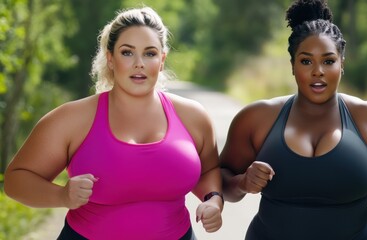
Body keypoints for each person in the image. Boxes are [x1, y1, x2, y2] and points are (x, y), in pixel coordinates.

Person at [4, 6, 223, 240]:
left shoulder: (193, 117)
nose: (139, 63)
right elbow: (16, 180)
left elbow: (209, 170)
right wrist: (62, 196)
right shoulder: (71, 119)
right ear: (110, 58)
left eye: (150, 53)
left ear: (162, 60)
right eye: (127, 52)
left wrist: (214, 200)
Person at [220, 0, 367, 239]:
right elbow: (221, 179)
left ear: (341, 64)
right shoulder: (256, 119)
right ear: (292, 65)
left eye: (328, 61)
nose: (318, 71)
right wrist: (243, 182)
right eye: (306, 61)